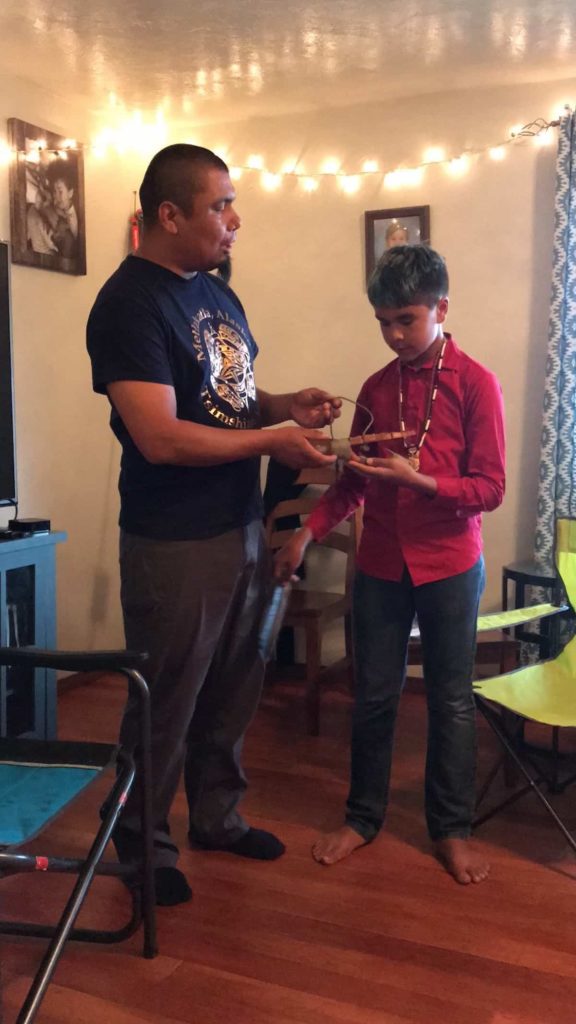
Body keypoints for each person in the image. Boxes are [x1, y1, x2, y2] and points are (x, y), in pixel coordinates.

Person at [86, 143, 341, 906]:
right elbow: (161, 436)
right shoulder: (130, 304)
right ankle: (139, 841)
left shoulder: (217, 298)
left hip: (240, 526)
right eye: (220, 205)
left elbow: (231, 403)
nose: (236, 220)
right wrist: (272, 440)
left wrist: (284, 406)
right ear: (169, 215)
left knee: (235, 682)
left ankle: (217, 816)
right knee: (167, 694)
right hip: (175, 539)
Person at [274, 244, 505, 885]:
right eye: (383, 321)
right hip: (381, 567)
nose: (394, 333)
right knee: (373, 696)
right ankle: (362, 817)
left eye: (406, 318)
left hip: (452, 565)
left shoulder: (478, 384)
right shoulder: (376, 388)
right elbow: (354, 485)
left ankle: (451, 830)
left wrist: (423, 482)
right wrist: (306, 535)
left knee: (451, 701)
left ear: (441, 308)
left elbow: (490, 489)